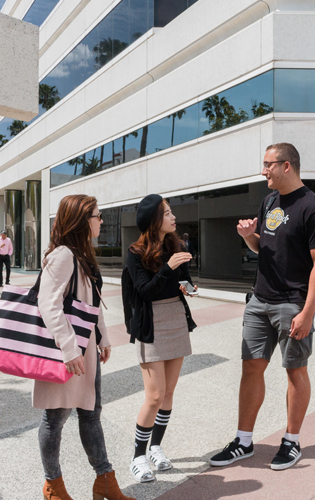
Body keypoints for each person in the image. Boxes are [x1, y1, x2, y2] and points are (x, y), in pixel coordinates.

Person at [209, 142, 315, 471]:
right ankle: (243, 442)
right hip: (260, 299)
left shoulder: (313, 208)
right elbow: (262, 246)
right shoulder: (269, 201)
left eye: (268, 164)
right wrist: (248, 235)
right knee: (251, 368)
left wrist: (308, 312)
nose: (263, 171)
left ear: (287, 166)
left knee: (295, 371)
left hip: (292, 303)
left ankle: (291, 442)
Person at [35, 194, 133, 500]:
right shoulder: (63, 255)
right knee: (55, 419)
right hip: (67, 352)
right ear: (81, 220)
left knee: (91, 413)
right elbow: (47, 304)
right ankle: (53, 486)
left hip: (84, 348)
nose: (101, 221)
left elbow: (89, 303)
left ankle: (105, 480)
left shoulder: (81, 255)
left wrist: (102, 336)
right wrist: (68, 348)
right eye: (97, 216)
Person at [125, 195, 195, 483]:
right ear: (154, 220)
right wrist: (168, 267)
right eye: (167, 213)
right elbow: (146, 291)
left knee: (168, 394)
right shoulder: (135, 252)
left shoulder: (175, 246)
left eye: (171, 212)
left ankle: (156, 447)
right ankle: (138, 456)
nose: (173, 216)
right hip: (151, 324)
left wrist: (188, 287)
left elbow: (181, 283)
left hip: (175, 319)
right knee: (154, 396)